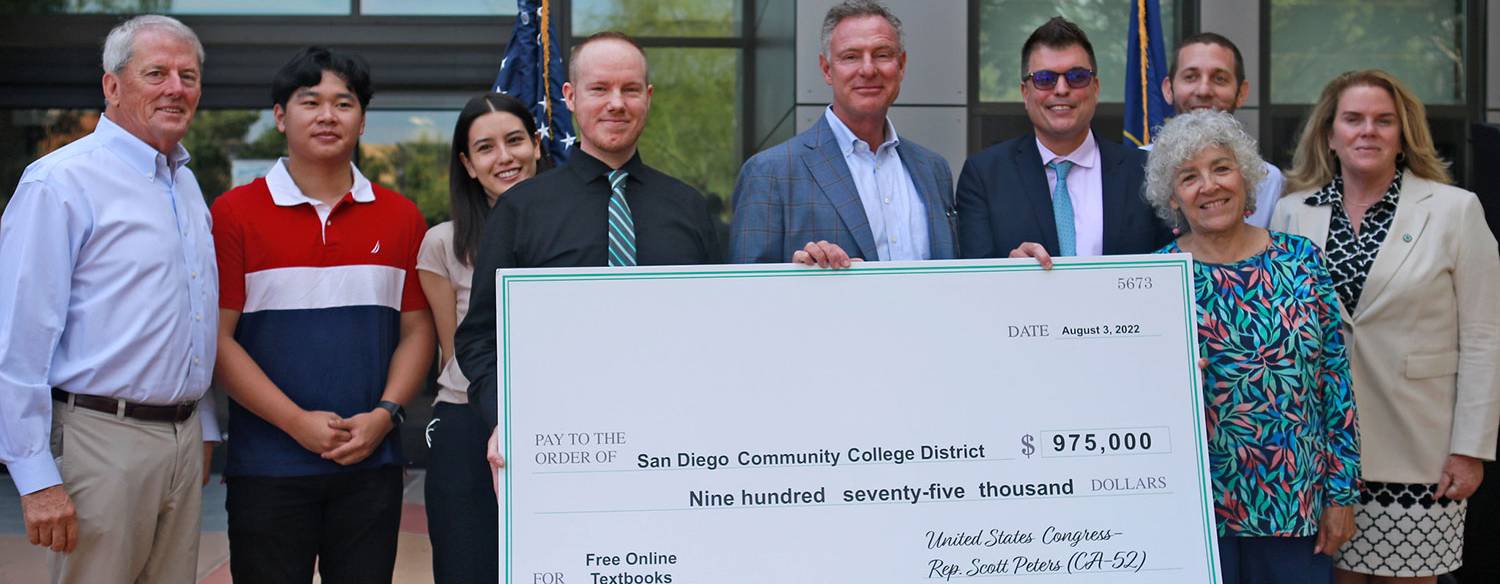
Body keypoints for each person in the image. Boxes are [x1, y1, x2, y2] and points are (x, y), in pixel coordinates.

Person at [0, 15, 218, 584]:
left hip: (183, 437)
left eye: (188, 75)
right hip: (101, 441)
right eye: (156, 73)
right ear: (112, 86)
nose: (176, 87)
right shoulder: (59, 184)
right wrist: (35, 476)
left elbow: (192, 317)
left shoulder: (186, 184)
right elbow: (17, 340)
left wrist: (207, 426)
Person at [211, 46, 435, 584]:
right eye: (310, 102)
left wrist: (385, 415)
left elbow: (418, 329)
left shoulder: (401, 216)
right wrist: (295, 423)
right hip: (268, 466)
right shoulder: (234, 213)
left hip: (371, 464)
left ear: (362, 118)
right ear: (280, 116)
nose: (328, 115)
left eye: (344, 103)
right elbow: (216, 340)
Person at [454, 31, 720, 476]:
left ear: (648, 97)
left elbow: (718, 326)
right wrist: (508, 418)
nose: (616, 103)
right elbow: (480, 338)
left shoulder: (689, 207)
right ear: (571, 96)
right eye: (599, 89)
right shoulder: (522, 208)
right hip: (559, 447)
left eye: (630, 89)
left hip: (675, 443)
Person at [1272, 70, 1500, 583]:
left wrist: (1471, 447)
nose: (1367, 131)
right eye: (1353, 119)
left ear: (1404, 135)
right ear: (1330, 135)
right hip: (1321, 457)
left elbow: (1485, 337)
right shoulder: (1291, 213)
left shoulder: (1454, 210)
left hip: (1421, 452)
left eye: (1383, 121)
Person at [1144, 110, 1360, 583]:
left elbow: (1335, 385)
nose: (1209, 186)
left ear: (1245, 177)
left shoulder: (1300, 260)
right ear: (1173, 197)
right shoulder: (1153, 279)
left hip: (1294, 507)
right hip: (1194, 513)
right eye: (1188, 176)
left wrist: (1341, 495)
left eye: (1221, 167)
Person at [418, 92, 542, 584]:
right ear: (468, 165)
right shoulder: (443, 243)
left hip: (561, 419)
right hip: (469, 422)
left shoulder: (575, 226)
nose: (505, 157)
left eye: (515, 141)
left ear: (537, 145)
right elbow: (455, 352)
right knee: (468, 567)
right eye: (486, 148)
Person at [729, 0, 956, 268]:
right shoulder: (770, 172)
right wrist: (797, 276)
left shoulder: (933, 169)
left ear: (901, 65)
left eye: (882, 54)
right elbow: (747, 294)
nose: (868, 69)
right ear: (827, 69)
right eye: (851, 56)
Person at [957, 16, 1171, 266]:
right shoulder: (984, 175)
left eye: (1077, 77)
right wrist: (1008, 270)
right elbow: (975, 281)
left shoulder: (1145, 171)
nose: (1061, 89)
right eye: (1045, 79)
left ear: (1096, 88)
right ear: (1025, 93)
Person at [1158, 32, 1284, 228]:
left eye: (1219, 79)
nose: (1204, 90)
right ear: (1168, 89)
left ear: (1241, 93)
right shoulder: (1135, 167)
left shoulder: (1269, 179)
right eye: (1190, 77)